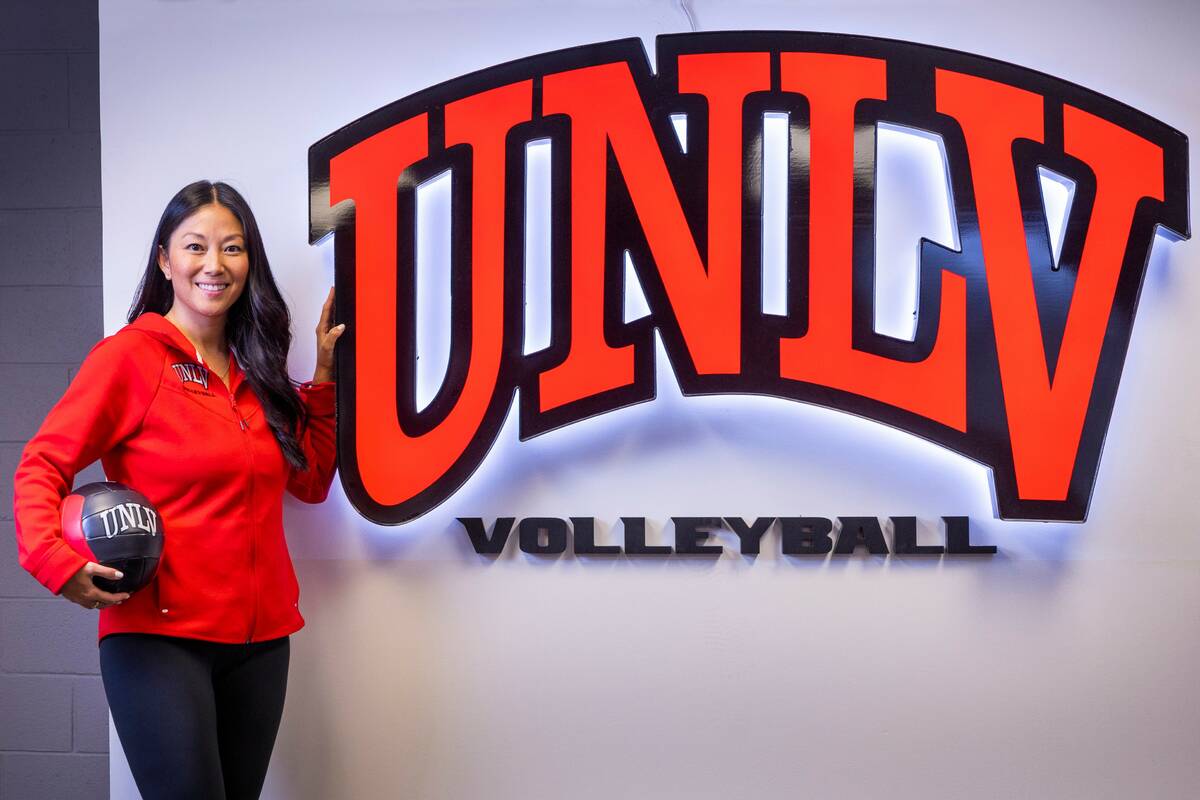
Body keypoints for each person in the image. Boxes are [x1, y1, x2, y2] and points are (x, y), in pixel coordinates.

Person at [11, 180, 345, 800]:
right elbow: (42, 463)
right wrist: (55, 563)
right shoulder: (130, 360)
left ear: (250, 261)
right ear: (165, 260)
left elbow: (312, 483)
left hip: (261, 643)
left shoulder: (258, 370)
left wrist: (321, 382)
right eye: (195, 247)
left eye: (233, 248)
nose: (214, 266)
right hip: (159, 641)